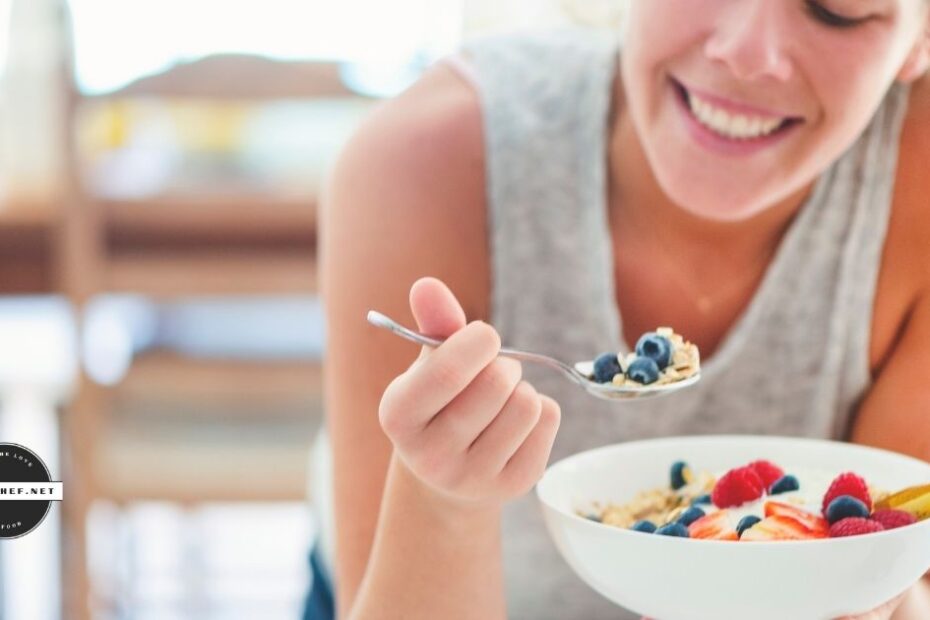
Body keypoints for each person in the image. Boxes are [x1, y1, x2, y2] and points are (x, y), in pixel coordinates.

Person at [304, 1, 930, 618]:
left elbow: (891, 535)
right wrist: (442, 500)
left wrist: (888, 600)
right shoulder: (429, 156)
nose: (744, 51)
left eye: (836, 10)